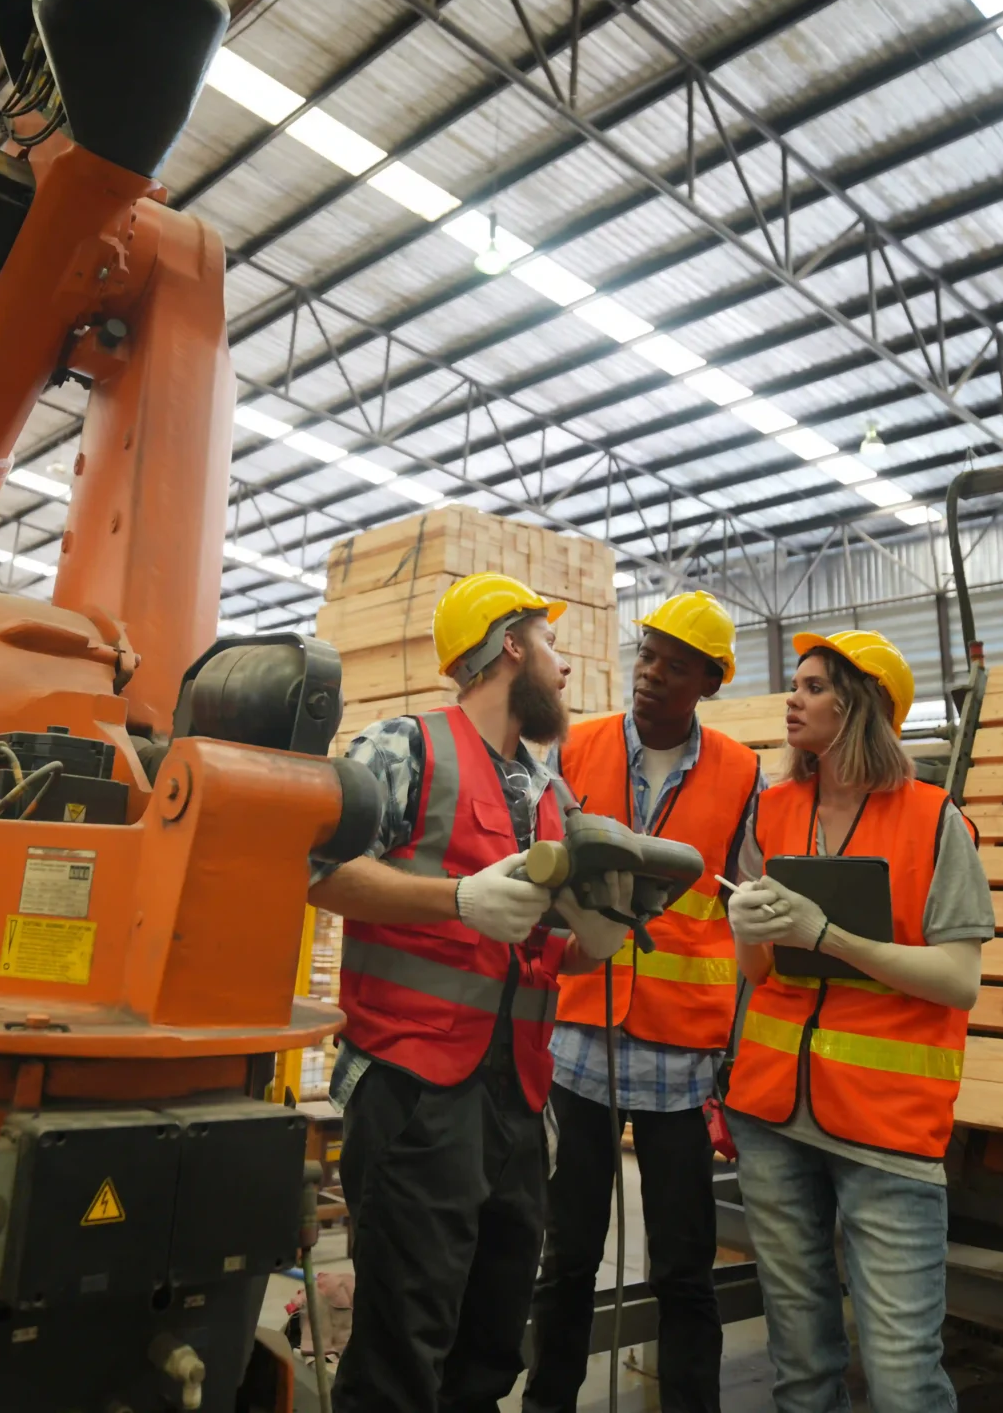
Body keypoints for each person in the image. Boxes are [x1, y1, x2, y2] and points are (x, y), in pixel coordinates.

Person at [308, 572, 634, 1413]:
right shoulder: (402, 748)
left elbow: (543, 954)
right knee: (403, 1343)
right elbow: (318, 873)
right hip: (416, 1091)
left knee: (490, 1343)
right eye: (552, 643)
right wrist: (454, 898)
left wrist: (592, 944)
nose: (565, 668)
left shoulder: (552, 795)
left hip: (518, 1101)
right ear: (512, 646)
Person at [721, 631, 994, 1413]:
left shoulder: (935, 821)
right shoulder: (773, 811)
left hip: (887, 1130)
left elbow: (959, 980)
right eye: (795, 684)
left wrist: (827, 936)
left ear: (860, 705)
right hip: (772, 1115)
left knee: (904, 1379)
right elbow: (759, 975)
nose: (792, 698)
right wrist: (748, 926)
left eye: (811, 686)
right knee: (801, 1367)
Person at [525, 591, 759, 1413]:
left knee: (686, 1263)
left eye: (675, 665)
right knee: (569, 1253)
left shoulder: (742, 772)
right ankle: (548, 1402)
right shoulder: (573, 747)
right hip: (583, 1036)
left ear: (710, 681)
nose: (652, 675)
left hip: (684, 1052)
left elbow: (748, 905)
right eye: (648, 656)